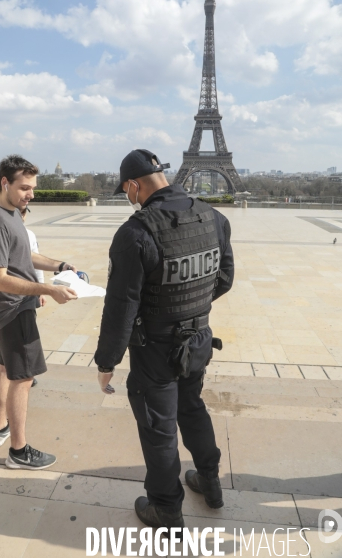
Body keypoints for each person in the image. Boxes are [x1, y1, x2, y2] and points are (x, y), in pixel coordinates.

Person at [94, 149, 234, 536]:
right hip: (199, 339)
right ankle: (210, 482)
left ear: (134, 185)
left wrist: (107, 362)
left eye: (126, 191)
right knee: (192, 407)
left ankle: (166, 508)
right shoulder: (213, 217)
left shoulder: (136, 233)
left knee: (159, 429)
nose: (128, 198)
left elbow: (121, 307)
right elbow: (224, 279)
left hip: (156, 348)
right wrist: (191, 310)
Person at [0, 155, 78, 470]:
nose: (30, 194)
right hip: (13, 311)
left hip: (9, 309)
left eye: (32, 187)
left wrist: (59, 266)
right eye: (24, 187)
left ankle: (2, 428)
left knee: (6, 368)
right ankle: (19, 451)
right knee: (23, 377)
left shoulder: (11, 213)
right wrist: (49, 290)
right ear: (4, 183)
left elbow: (25, 256)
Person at [0, 205, 45, 386]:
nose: (21, 217)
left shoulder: (27, 234)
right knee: (21, 375)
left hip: (6, 304)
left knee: (3, 364)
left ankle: (0, 415)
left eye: (23, 213)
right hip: (15, 304)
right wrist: (47, 289)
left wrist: (41, 288)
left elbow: (34, 262)